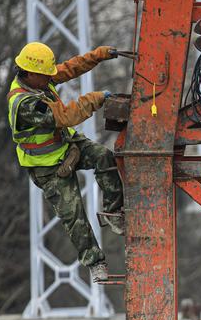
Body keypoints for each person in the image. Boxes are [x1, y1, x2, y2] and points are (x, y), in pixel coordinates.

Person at [8, 41, 124, 283]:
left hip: (67, 147)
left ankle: (113, 213)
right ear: (30, 73)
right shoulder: (25, 104)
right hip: (48, 168)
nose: (51, 77)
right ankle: (95, 262)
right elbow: (64, 116)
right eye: (46, 75)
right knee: (74, 215)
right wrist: (95, 99)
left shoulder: (39, 79)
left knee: (104, 156)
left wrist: (98, 55)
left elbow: (71, 68)